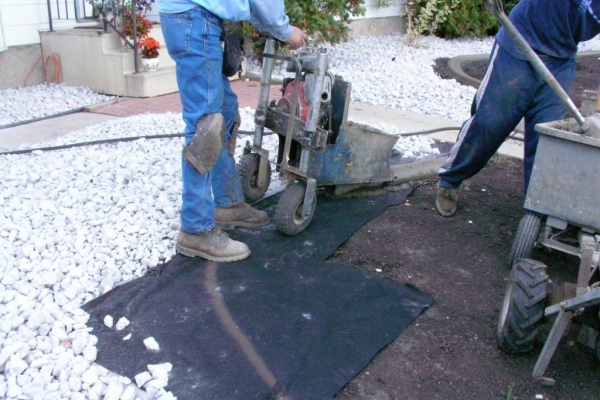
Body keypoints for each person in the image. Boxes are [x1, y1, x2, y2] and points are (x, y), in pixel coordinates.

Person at [159, 1, 308, 261]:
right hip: (194, 19)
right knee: (205, 127)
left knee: (225, 111)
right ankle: (196, 229)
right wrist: (285, 31)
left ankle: (226, 203)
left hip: (197, 18)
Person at [435, 0, 600, 217]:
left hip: (561, 59)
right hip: (518, 44)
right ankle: (450, 180)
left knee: (546, 141)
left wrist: (598, 115)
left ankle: (536, 212)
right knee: (489, 124)